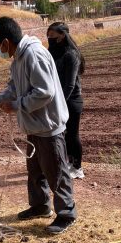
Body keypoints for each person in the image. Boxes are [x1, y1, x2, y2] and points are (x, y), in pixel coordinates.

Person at [0, 17, 77, 234]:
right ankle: (40, 206)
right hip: (33, 127)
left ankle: (66, 214)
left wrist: (17, 105)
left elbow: (45, 92)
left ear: (6, 42)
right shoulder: (18, 59)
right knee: (35, 171)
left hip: (48, 127)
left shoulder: (33, 54)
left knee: (56, 172)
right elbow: (11, 91)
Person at [47, 22, 85, 179]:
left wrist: (59, 104)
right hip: (57, 99)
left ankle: (77, 167)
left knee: (72, 134)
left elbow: (69, 85)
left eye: (52, 35)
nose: (49, 38)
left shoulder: (71, 54)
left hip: (72, 100)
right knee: (61, 134)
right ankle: (66, 162)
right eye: (48, 35)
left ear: (62, 35)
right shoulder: (53, 52)